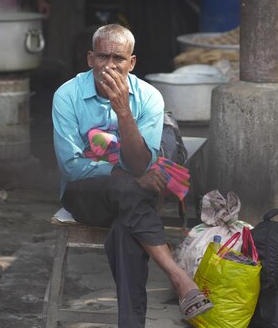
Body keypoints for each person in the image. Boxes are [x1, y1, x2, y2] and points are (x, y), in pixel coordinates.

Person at [52, 24, 212, 327]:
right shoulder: (67, 96)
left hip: (131, 201)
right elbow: (71, 166)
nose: (110, 66)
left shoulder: (148, 97)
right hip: (84, 195)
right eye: (102, 57)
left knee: (127, 232)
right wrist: (127, 176)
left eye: (118, 59)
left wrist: (123, 111)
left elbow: (141, 165)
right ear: (89, 59)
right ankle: (178, 277)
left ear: (132, 62)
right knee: (128, 188)